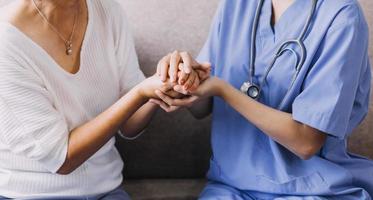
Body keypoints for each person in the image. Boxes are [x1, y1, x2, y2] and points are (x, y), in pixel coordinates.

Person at [153, 0, 373, 199]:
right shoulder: (235, 5)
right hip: (231, 187)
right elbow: (201, 106)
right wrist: (183, 77)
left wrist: (225, 90)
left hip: (311, 188)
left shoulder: (342, 16)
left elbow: (307, 142)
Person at [0, 0, 208, 199]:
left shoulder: (108, 12)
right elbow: (62, 158)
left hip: (106, 191)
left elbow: (129, 124)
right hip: (30, 194)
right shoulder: (6, 42)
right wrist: (141, 93)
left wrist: (163, 85)